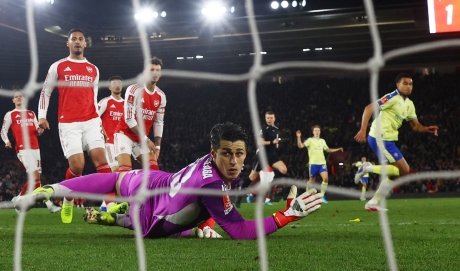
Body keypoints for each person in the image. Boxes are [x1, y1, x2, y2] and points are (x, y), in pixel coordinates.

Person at [23, 122, 323, 238]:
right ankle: (113, 216)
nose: (233, 161)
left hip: (154, 181)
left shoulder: (211, 169)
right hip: (150, 213)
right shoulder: (213, 185)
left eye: (239, 154)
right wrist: (287, 215)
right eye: (227, 154)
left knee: (117, 180)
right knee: (148, 224)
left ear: (246, 154)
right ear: (213, 153)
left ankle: (51, 190)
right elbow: (241, 231)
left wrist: (205, 222)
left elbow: (202, 201)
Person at [37, 28, 111, 223]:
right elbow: (45, 92)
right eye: (74, 39)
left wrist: (99, 121)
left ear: (85, 44)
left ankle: (110, 205)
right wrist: (42, 116)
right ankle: (68, 199)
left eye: (81, 39)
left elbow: (93, 97)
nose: (78, 42)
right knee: (77, 167)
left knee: (102, 160)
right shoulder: (58, 66)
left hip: (91, 120)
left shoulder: (93, 69)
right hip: (68, 123)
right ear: (68, 43)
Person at [354, 73, 439, 211]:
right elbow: (369, 108)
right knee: (404, 170)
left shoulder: (409, 104)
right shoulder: (392, 97)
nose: (408, 86)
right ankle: (366, 168)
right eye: (405, 83)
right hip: (379, 136)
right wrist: (363, 129)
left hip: (389, 139)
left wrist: (427, 129)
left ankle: (373, 203)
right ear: (397, 85)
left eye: (410, 84)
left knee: (397, 173)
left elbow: (416, 126)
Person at [0, 91, 58, 213]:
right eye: (16, 97)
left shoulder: (31, 113)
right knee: (35, 176)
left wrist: (41, 128)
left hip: (35, 147)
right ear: (13, 100)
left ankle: (19, 201)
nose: (18, 98)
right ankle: (49, 205)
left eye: (20, 96)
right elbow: (3, 130)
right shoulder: (11, 114)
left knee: (36, 179)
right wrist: (6, 141)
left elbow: (37, 131)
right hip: (23, 148)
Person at [120, 58, 166, 172]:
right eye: (151, 70)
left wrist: (158, 146)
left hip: (141, 139)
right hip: (124, 135)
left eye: (158, 70)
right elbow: (129, 119)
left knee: (154, 170)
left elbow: (159, 122)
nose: (155, 73)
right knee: (124, 172)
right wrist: (147, 140)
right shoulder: (134, 89)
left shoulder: (161, 96)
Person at [245, 111, 288, 205]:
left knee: (282, 171)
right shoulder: (263, 129)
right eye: (268, 118)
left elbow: (275, 143)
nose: (269, 119)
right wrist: (272, 142)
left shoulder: (276, 129)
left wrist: (276, 144)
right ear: (265, 118)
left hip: (272, 156)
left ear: (274, 118)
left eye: (271, 117)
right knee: (258, 179)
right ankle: (250, 193)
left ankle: (263, 198)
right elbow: (260, 142)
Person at [296, 126, 342, 201]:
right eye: (315, 130)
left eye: (318, 130)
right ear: (313, 132)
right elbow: (300, 146)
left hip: (322, 163)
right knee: (311, 180)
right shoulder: (310, 140)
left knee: (326, 179)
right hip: (313, 164)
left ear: (320, 132)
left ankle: (322, 196)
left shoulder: (322, 141)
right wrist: (298, 137)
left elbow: (327, 150)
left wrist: (337, 149)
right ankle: (307, 195)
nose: (317, 132)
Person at [96, 76, 127, 173]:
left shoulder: (126, 104)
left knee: (123, 171)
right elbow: (94, 117)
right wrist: (103, 133)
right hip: (110, 143)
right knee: (116, 170)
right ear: (110, 87)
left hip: (122, 143)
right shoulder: (105, 101)